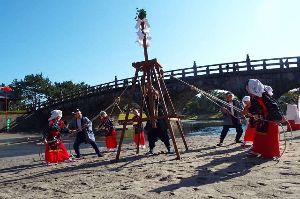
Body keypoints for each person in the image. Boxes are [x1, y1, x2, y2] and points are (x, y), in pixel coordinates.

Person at [246, 79, 283, 159]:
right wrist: (254, 113)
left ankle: (270, 154)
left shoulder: (264, 95)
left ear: (252, 87)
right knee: (258, 135)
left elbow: (273, 106)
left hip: (270, 120)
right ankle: (256, 151)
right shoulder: (253, 96)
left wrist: (277, 118)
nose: (247, 89)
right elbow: (253, 107)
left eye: (248, 87)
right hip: (262, 119)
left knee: (270, 137)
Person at [144, 83, 173, 155]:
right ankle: (151, 150)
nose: (154, 95)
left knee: (165, 135)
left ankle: (169, 148)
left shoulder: (159, 103)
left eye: (155, 95)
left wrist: (152, 89)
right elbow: (145, 94)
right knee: (151, 136)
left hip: (160, 121)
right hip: (151, 121)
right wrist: (146, 87)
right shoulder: (147, 101)